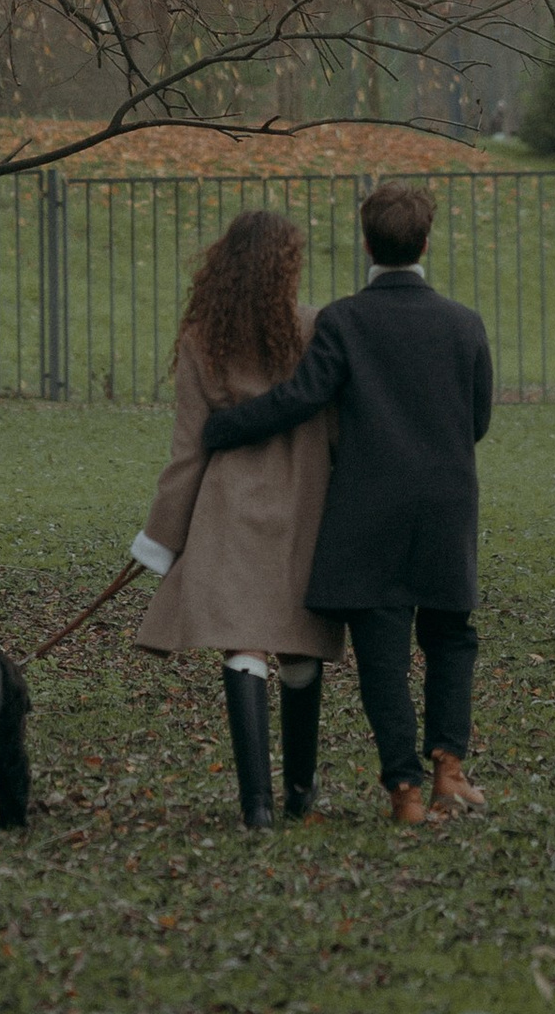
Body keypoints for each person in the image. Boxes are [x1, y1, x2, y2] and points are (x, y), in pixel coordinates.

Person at [199, 178, 493, 827]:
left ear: (366, 242)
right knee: (450, 638)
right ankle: (449, 766)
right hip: (445, 504)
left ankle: (404, 792)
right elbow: (477, 421)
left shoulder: (344, 321)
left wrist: (226, 427)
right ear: (425, 240)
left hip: (370, 511)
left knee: (382, 655)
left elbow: (301, 398)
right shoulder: (464, 325)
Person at [130, 206, 341, 831]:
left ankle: (257, 807)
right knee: (299, 647)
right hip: (304, 500)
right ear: (287, 268)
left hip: (229, 508)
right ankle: (301, 794)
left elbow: (187, 452)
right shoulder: (314, 329)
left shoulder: (203, 339)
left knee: (243, 644)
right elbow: (334, 430)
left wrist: (161, 540)